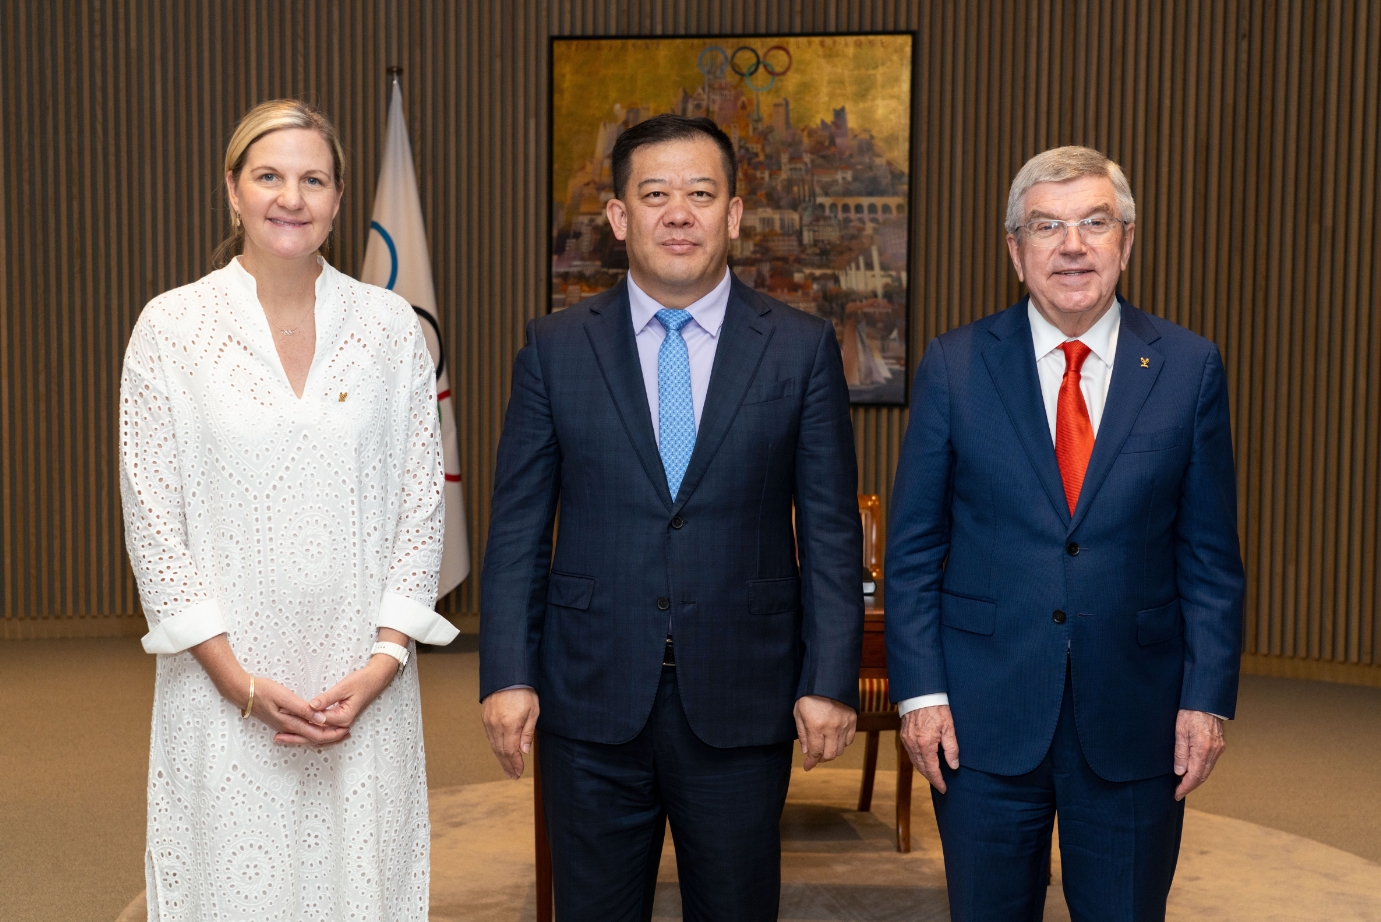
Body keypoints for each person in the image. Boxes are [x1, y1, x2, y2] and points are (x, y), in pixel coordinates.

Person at [478, 113, 863, 921]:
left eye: (700, 194)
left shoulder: (799, 347)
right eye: (654, 195)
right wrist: (508, 673)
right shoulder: (554, 347)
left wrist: (829, 679)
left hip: (743, 693)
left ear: (734, 214)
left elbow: (829, 531)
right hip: (589, 695)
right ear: (619, 217)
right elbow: (517, 529)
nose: (677, 214)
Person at [885, 146, 1244, 921]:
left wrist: (1205, 701)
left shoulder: (1187, 368)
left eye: (1094, 223)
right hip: (979, 719)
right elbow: (912, 551)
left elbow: (1209, 559)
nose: (1071, 245)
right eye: (1045, 226)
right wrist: (920, 694)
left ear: (1127, 240)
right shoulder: (954, 365)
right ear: (1015, 252)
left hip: (1138, 718)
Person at [119, 99, 458, 921]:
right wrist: (235, 680)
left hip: (361, 682)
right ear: (232, 189)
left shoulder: (389, 328)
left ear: (339, 198)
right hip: (220, 682)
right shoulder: (172, 327)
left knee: (359, 886)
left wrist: (383, 661)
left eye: (313, 179)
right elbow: (153, 523)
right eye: (269, 176)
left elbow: (421, 505)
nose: (291, 198)